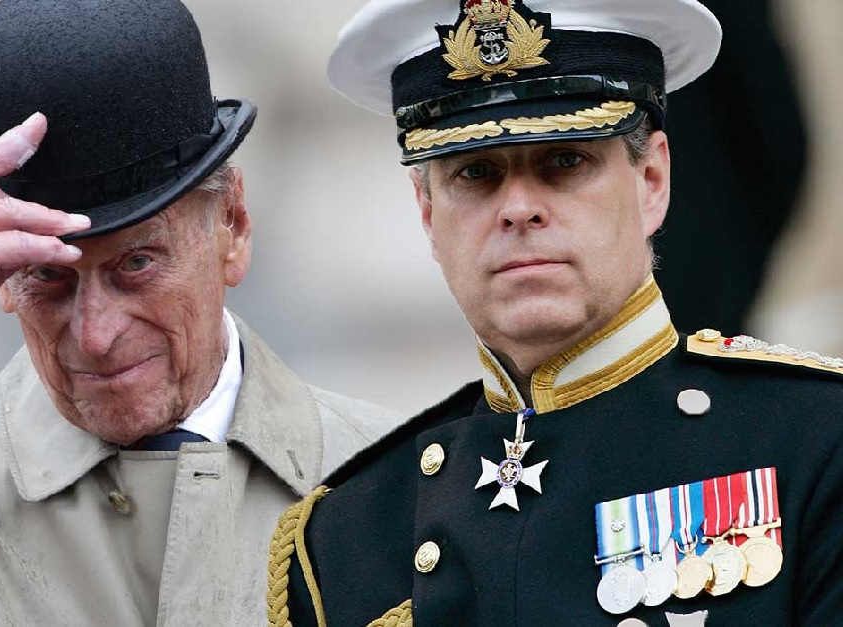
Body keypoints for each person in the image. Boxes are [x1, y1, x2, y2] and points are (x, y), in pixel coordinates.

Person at [0, 1, 401, 625]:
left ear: (232, 224)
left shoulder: (399, 487)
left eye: (137, 264)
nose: (95, 335)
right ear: (2, 282)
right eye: (48, 274)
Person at [267, 0, 843, 625]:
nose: (519, 208)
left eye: (566, 161)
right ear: (428, 214)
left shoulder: (814, 441)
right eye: (476, 173)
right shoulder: (346, 537)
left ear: (652, 180)